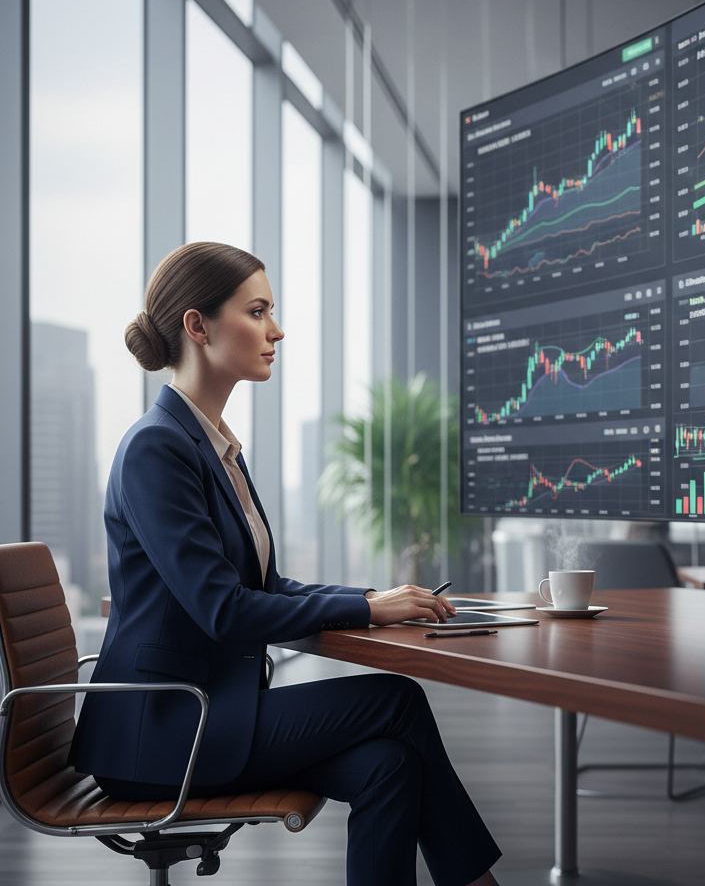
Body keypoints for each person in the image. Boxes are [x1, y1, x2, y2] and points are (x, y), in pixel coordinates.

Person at [70, 242, 502, 886]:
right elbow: (223, 610)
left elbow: (266, 587)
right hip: (163, 732)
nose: (277, 330)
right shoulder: (157, 449)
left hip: (209, 711)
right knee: (398, 700)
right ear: (198, 325)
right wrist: (364, 609)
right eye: (258, 310)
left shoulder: (214, 448)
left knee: (389, 764)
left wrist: (373, 598)